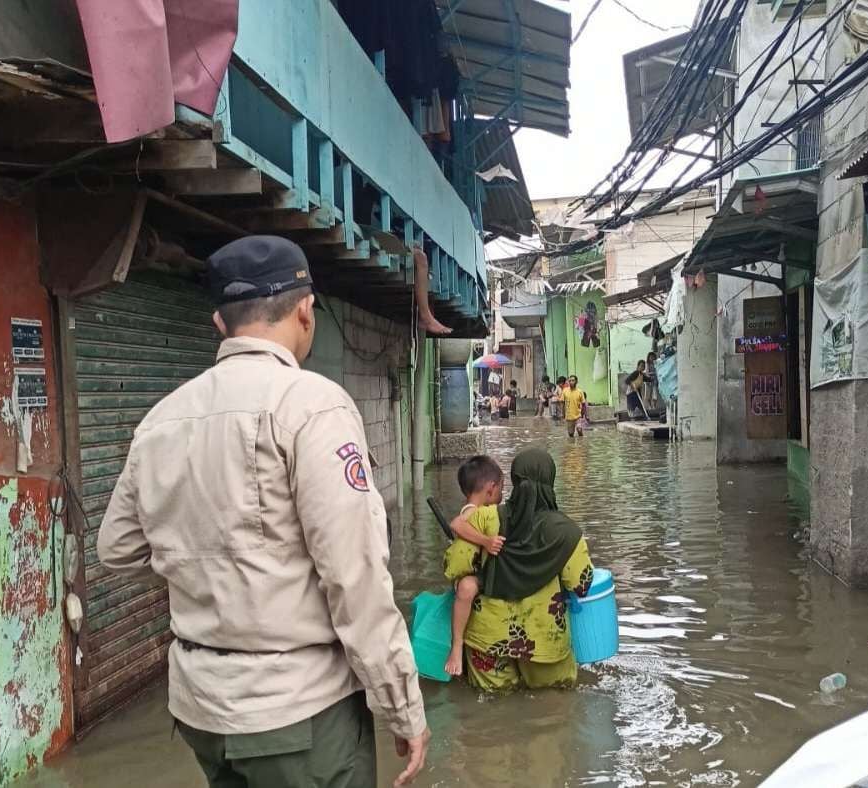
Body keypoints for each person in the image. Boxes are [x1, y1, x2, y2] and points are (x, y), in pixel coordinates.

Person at [97, 236, 429, 788]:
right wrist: (402, 707)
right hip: (299, 714)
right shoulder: (312, 406)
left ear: (220, 325)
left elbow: (117, 548)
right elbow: (356, 578)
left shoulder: (162, 419)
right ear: (305, 310)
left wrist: (205, 560)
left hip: (201, 711)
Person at [442, 447, 595, 691]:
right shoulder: (567, 532)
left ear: (514, 480)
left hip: (487, 639)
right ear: (550, 481)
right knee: (553, 708)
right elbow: (582, 584)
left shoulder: (485, 518)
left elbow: (454, 566)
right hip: (544, 641)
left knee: (490, 710)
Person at [444, 456, 507, 677]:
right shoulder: (471, 511)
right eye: (501, 488)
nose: (502, 494)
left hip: (481, 570)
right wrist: (486, 542)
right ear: (491, 488)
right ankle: (457, 646)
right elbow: (456, 524)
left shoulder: (483, 510)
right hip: (470, 577)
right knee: (466, 589)